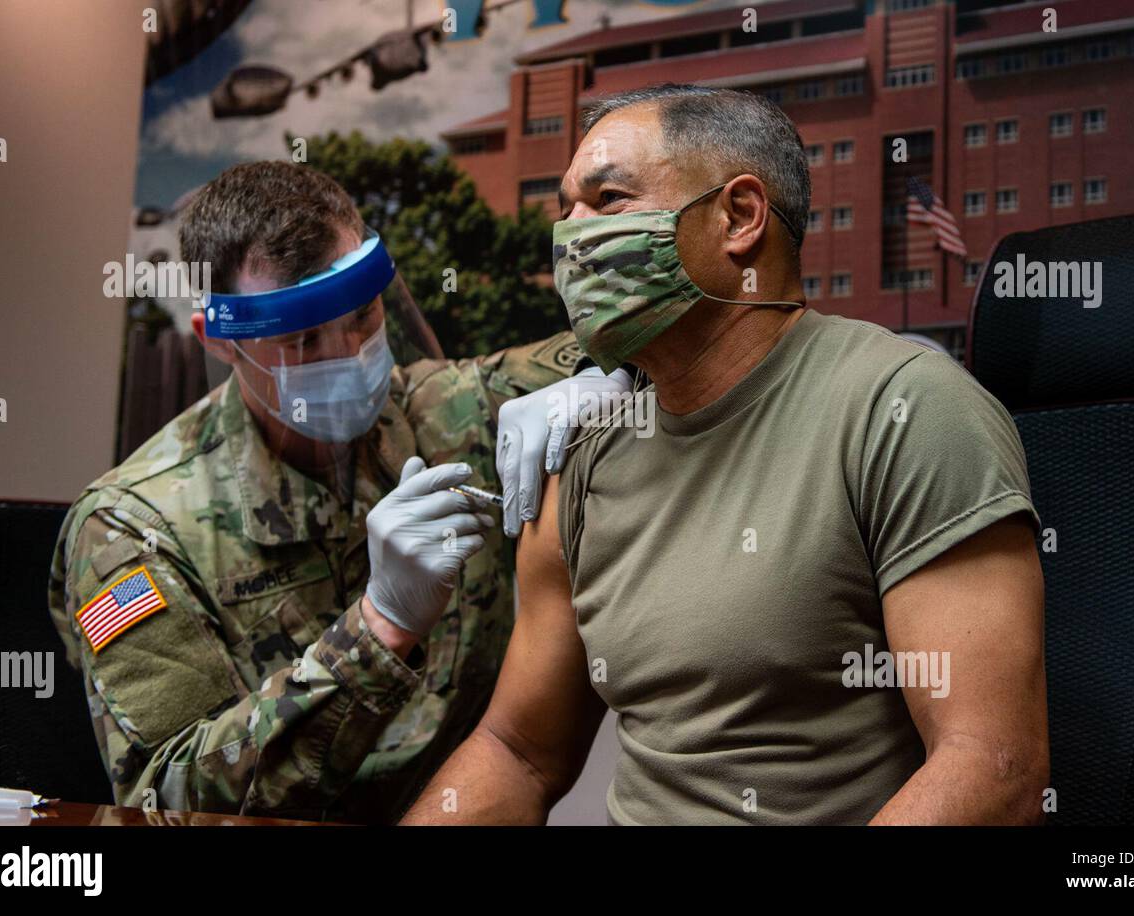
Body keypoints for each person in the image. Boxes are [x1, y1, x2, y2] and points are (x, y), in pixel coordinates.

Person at [403, 85, 1050, 826]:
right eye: (565, 209)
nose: (569, 238)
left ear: (739, 217)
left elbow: (994, 768)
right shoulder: (583, 458)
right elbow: (517, 750)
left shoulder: (904, 411)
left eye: (607, 199)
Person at [48, 161, 628, 823]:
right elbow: (169, 800)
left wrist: (613, 374)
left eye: (363, 315)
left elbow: (674, 341)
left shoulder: (445, 411)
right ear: (223, 342)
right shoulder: (133, 528)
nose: (349, 353)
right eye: (302, 340)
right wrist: (380, 626)